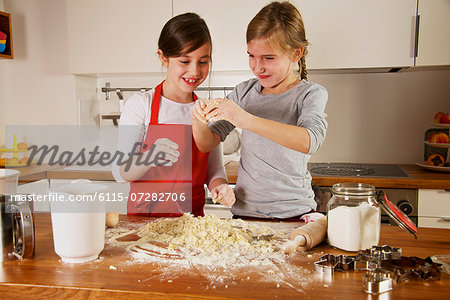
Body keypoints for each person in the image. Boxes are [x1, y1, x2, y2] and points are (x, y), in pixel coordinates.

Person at [192, 1, 328, 220]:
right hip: (246, 215)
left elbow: (309, 141)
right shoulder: (243, 92)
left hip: (294, 214)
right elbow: (206, 143)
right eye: (251, 56)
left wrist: (244, 119)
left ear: (296, 53)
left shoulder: (309, 94)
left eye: (268, 58)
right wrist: (198, 118)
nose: (257, 66)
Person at [112, 12, 235, 217]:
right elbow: (119, 172)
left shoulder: (207, 110)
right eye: (184, 61)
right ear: (163, 58)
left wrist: (221, 187)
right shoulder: (141, 105)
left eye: (203, 62)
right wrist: (149, 157)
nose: (194, 71)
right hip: (145, 222)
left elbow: (214, 171)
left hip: (192, 222)